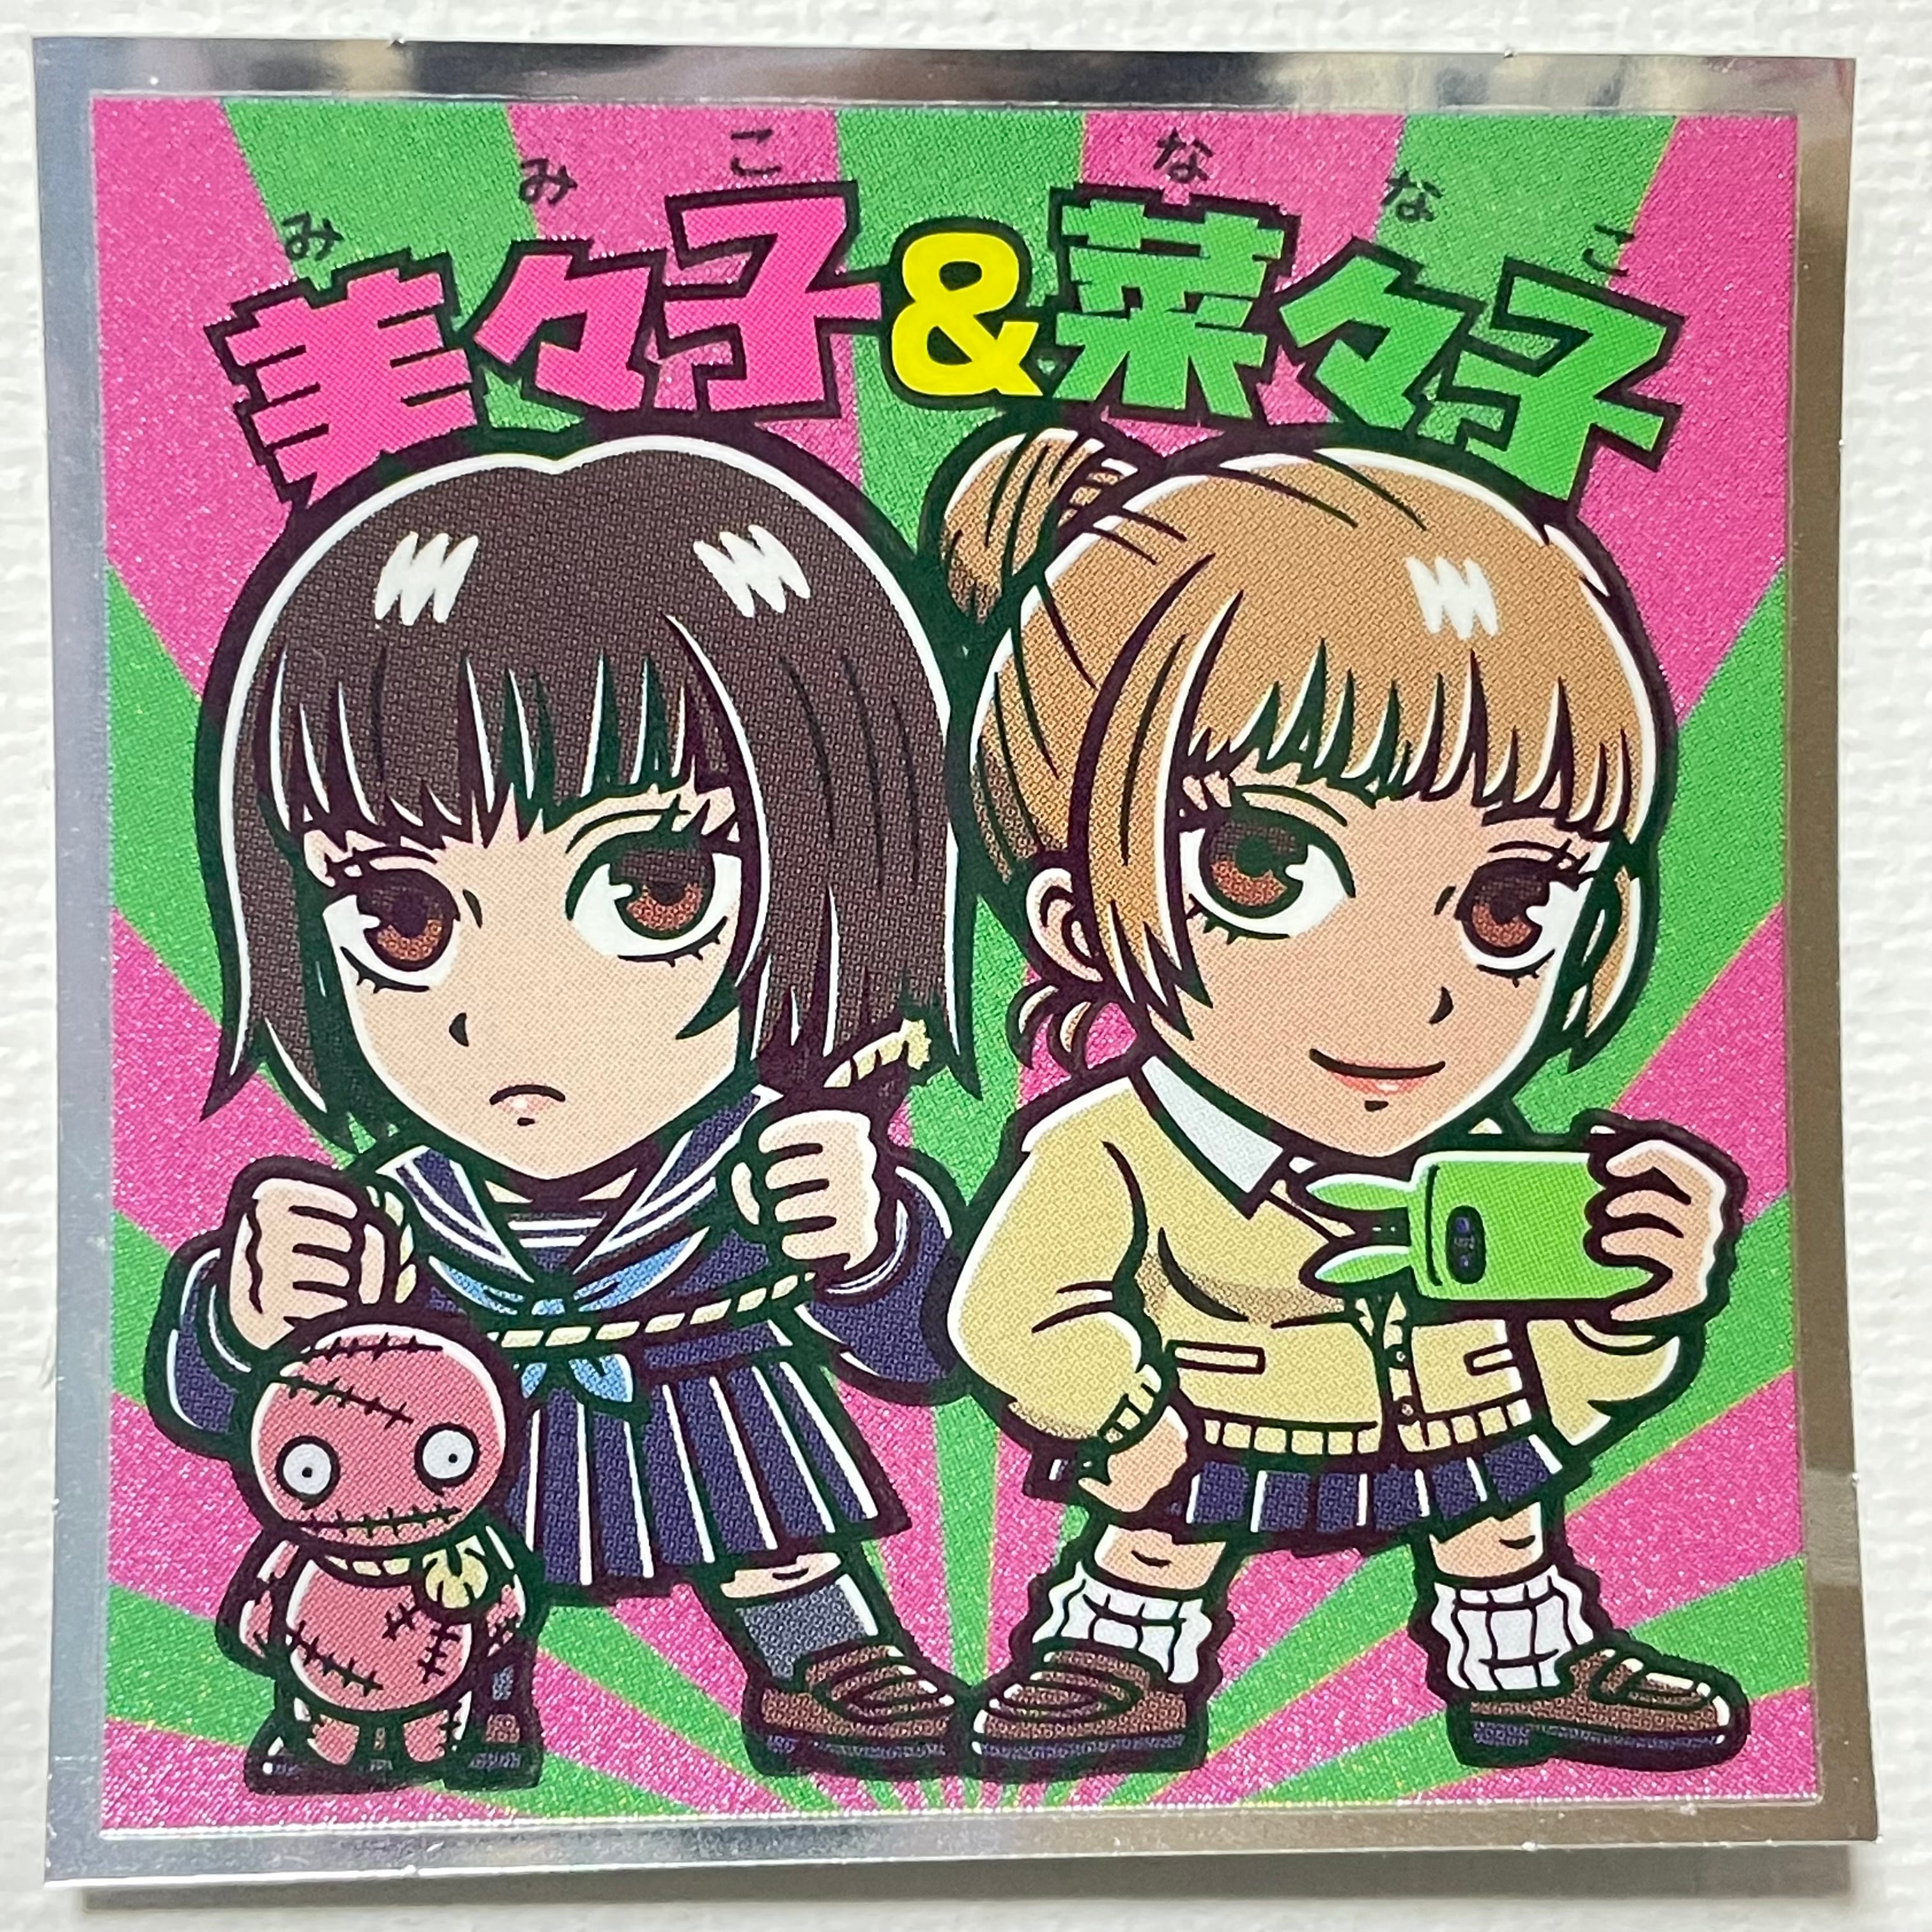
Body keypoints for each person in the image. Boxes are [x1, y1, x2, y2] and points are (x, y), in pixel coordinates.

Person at [150, 431, 967, 1788]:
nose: (512, 1016)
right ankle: (469, 1687)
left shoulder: (759, 1162)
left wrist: (868, 1245)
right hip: (474, 1454)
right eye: (404, 916)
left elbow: (935, 1344)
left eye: (653, 892)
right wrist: (248, 1316)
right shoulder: (401, 1207)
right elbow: (217, 1394)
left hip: (710, 1417)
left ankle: (825, 1659)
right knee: (443, 1557)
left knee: (773, 1535)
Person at [935, 422, 1749, 1781]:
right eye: (1267, 869)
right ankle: (1119, 1656)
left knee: (1500, 1521)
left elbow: (1568, 1377)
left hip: (1451, 1419)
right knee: (1161, 1538)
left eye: (1508, 904)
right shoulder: (1116, 1149)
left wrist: (1631, 1308)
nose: (1413, 997)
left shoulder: (1484, 1162)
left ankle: (1526, 1660)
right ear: (1079, 917)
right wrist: (1123, 1411)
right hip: (1210, 1422)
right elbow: (1006, 1313)